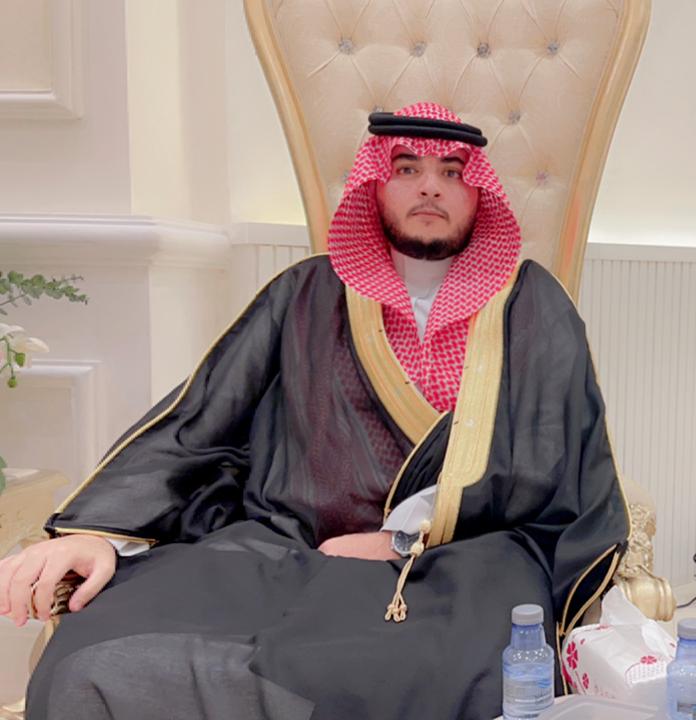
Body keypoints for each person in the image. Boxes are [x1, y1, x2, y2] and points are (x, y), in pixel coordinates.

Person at [3, 102, 628, 720]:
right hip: (289, 544)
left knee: (459, 669)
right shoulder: (304, 293)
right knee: (97, 653)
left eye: (452, 172)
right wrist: (99, 531)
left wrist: (397, 538)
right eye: (407, 168)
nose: (430, 187)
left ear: (479, 193)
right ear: (373, 185)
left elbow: (548, 457)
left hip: (462, 559)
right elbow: (200, 421)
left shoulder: (531, 302)